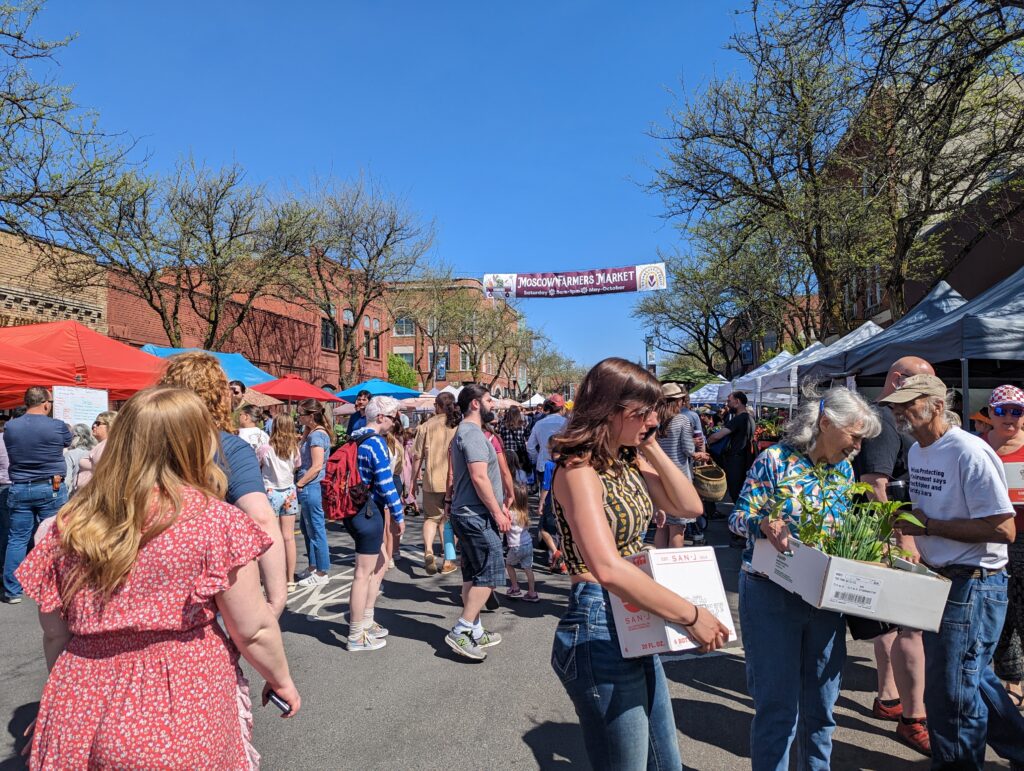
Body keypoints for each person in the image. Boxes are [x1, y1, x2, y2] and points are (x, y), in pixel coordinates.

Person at [15, 387, 299, 769]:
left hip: (79, 694)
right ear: (197, 445)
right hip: (179, 693)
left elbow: (55, 632)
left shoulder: (67, 526)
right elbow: (253, 630)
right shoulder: (214, 522)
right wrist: (280, 680)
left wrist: (74, 690)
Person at [550, 358, 728, 770]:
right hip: (598, 616)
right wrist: (691, 615)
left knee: (665, 761)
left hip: (634, 611)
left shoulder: (626, 460)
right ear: (608, 410)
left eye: (653, 412)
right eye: (642, 412)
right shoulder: (578, 470)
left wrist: (648, 445)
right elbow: (607, 568)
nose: (652, 420)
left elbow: (690, 505)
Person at [731, 386, 881, 770]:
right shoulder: (775, 461)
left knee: (822, 706)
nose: (858, 447)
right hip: (770, 594)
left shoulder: (844, 471)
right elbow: (736, 517)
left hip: (823, 597)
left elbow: (842, 530)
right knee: (777, 707)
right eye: (855, 436)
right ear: (827, 423)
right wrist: (762, 523)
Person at [887, 374, 1024, 769]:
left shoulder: (969, 452)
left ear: (937, 404)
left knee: (952, 694)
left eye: (909, 404)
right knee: (971, 681)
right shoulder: (917, 451)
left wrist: (927, 527)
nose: (900, 412)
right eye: (897, 404)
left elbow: (1004, 528)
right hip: (943, 577)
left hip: (975, 583)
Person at [159, 352, 287, 615]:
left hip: (145, 574)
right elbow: (261, 517)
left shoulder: (142, 443)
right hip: (204, 580)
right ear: (219, 395)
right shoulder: (227, 447)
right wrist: (276, 597)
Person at [854, 356, 934, 755]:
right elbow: (875, 486)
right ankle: (909, 714)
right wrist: (899, 538)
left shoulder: (885, 418)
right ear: (899, 380)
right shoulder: (886, 421)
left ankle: (889, 697)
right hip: (887, 535)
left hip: (882, 534)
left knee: (889, 625)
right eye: (924, 387)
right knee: (907, 626)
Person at [444, 384, 511, 661]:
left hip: (468, 514)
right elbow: (479, 476)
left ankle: (475, 629)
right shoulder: (471, 433)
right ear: (474, 404)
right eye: (488, 399)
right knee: (491, 573)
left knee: (473, 574)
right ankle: (461, 629)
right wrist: (497, 512)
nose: (492, 404)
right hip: (476, 516)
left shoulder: (469, 432)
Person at [346, 396, 406, 651]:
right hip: (369, 511)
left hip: (354, 509)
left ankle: (366, 621)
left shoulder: (355, 438)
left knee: (379, 562)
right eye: (394, 418)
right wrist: (399, 514)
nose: (395, 423)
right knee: (362, 574)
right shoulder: (377, 444)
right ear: (381, 417)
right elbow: (386, 483)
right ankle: (356, 634)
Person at [2, 387, 71, 604]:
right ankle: (56, 585)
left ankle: (13, 591)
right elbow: (67, 441)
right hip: (51, 486)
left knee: (17, 538)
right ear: (45, 403)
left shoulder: (11, 426)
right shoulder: (57, 426)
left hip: (20, 486)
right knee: (56, 536)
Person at [984, 385, 1024, 710]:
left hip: (1023, 536)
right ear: (990, 413)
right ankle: (1011, 678)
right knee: (1001, 608)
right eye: (1002, 411)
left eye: (1016, 411)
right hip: (989, 536)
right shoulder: (979, 446)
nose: (1009, 417)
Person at [412, 393, 459, 575]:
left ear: (436, 405)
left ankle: (429, 551)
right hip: (454, 481)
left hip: (431, 479)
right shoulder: (457, 426)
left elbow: (417, 457)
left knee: (431, 519)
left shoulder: (425, 427)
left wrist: (412, 481)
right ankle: (448, 560)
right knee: (448, 520)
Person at [257, 413, 301, 593]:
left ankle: (270, 578)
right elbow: (297, 466)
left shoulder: (265, 448)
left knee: (271, 538)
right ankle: (290, 579)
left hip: (271, 491)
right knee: (289, 537)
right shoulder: (294, 449)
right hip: (289, 491)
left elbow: (258, 465)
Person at [656, 382, 702, 548]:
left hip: (657, 477)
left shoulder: (654, 421)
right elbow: (688, 449)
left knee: (661, 526)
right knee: (677, 528)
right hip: (678, 477)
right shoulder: (681, 419)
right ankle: (673, 571)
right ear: (677, 401)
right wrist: (697, 451)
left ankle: (659, 568)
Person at [295, 398, 333, 587]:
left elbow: (317, 466)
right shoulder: (311, 434)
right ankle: (313, 565)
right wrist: (304, 434)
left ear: (311, 416)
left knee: (316, 528)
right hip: (308, 486)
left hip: (311, 485)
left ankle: (322, 570)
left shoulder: (317, 436)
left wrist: (300, 483)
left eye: (301, 414)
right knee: (306, 527)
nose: (299, 418)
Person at [707, 390, 756, 506]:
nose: (727, 404)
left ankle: (741, 517)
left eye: (729, 401)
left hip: (736, 460)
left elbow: (718, 436)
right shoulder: (750, 419)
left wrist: (707, 441)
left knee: (735, 490)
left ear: (737, 401)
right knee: (741, 489)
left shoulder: (738, 419)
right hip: (746, 458)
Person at [504, 482, 538, 602]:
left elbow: (504, 528)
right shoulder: (525, 512)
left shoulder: (509, 513)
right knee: (528, 568)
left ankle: (515, 587)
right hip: (528, 544)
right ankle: (532, 592)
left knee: (509, 564)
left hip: (515, 546)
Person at [527, 394, 568, 481]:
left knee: (545, 493)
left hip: (543, 465)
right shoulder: (567, 424)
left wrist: (536, 458)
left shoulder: (539, 424)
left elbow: (530, 447)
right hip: (563, 465)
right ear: (562, 408)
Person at [74, 411, 117, 490]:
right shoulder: (103, 445)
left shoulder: (107, 445)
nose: (93, 426)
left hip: (95, 495)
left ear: (110, 425)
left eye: (98, 423)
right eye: (94, 422)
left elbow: (104, 472)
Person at [498, 405, 530, 480]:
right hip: (520, 452)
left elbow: (500, 436)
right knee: (520, 471)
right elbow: (528, 436)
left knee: (508, 472)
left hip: (507, 452)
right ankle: (520, 488)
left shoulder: (502, 423)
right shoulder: (523, 423)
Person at [63, 424, 96, 495]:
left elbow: (66, 482)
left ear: (77, 437)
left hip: (74, 497)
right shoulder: (95, 452)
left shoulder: (70, 454)